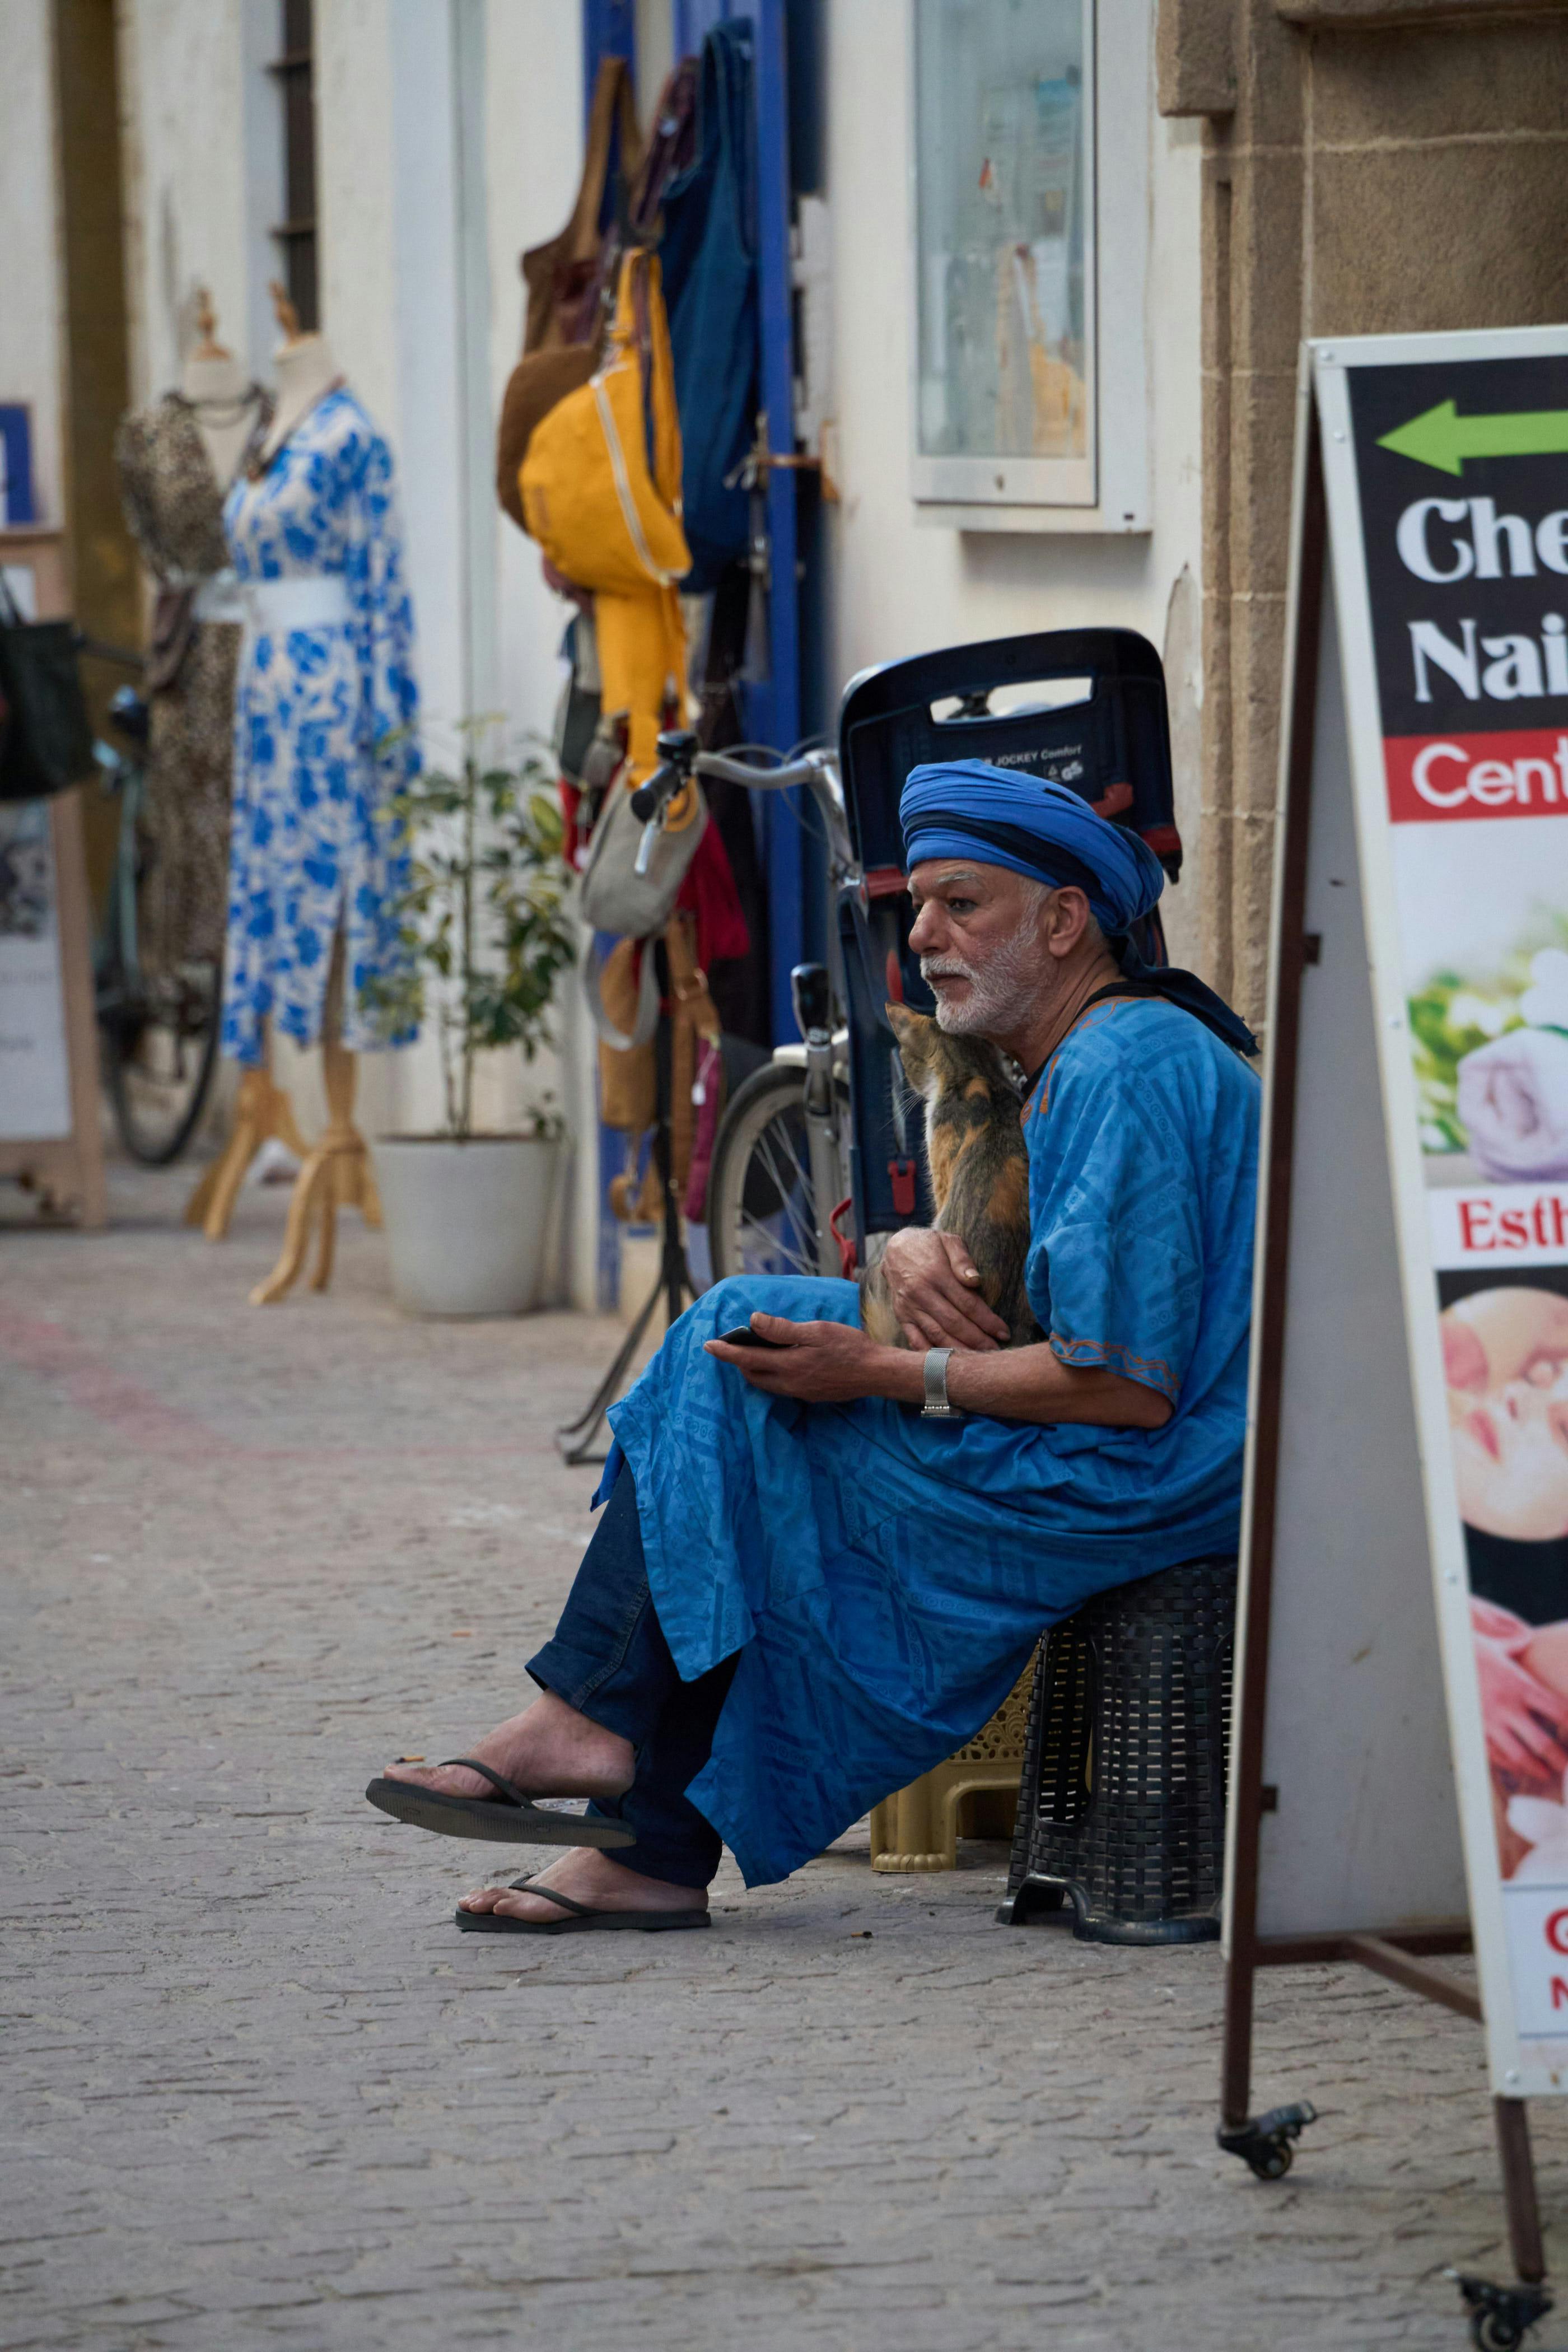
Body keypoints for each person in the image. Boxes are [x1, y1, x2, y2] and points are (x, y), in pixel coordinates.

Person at [368, 759, 1262, 1934]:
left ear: (1061, 920)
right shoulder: (1084, 1054)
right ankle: (611, 1770)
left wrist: (882, 1373)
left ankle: (613, 1768)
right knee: (735, 1340)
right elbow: (1012, 1289)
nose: (925, 937)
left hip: (1165, 1472)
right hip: (1136, 1440)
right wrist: (894, 1252)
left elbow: (1124, 1389)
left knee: (765, 1430)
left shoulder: (1118, 1065)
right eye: (918, 910)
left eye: (961, 905)